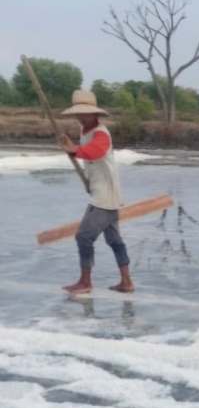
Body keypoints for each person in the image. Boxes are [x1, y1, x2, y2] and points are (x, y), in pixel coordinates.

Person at [57, 90, 134, 294]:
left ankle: (85, 282)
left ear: (94, 114)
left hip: (105, 197)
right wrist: (72, 149)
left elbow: (95, 152)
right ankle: (126, 282)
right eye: (78, 113)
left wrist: (74, 150)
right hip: (101, 193)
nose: (81, 117)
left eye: (85, 113)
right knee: (114, 240)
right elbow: (87, 156)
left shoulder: (101, 133)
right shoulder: (85, 131)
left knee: (83, 237)